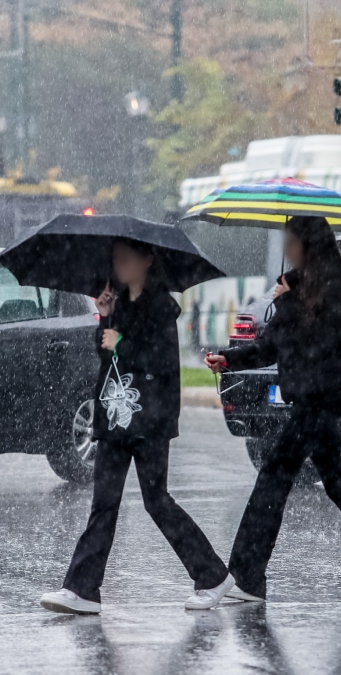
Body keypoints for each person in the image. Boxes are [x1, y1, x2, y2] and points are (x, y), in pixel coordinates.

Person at [205, 216, 341, 601]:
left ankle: (247, 577)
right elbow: (271, 346)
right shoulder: (296, 285)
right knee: (338, 485)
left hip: (320, 401)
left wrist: (286, 300)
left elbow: (321, 342)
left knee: (273, 477)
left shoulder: (339, 285)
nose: (287, 249)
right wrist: (229, 359)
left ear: (310, 244)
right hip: (307, 401)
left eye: (292, 241)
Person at [41, 239, 235, 615]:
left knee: (156, 501)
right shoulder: (118, 303)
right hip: (116, 417)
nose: (119, 264)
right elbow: (107, 357)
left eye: (126, 258)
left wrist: (122, 343)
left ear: (147, 260)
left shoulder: (161, 307)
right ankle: (82, 589)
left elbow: (160, 363)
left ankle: (212, 575)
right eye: (115, 258)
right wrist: (105, 318)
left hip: (150, 419)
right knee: (103, 503)